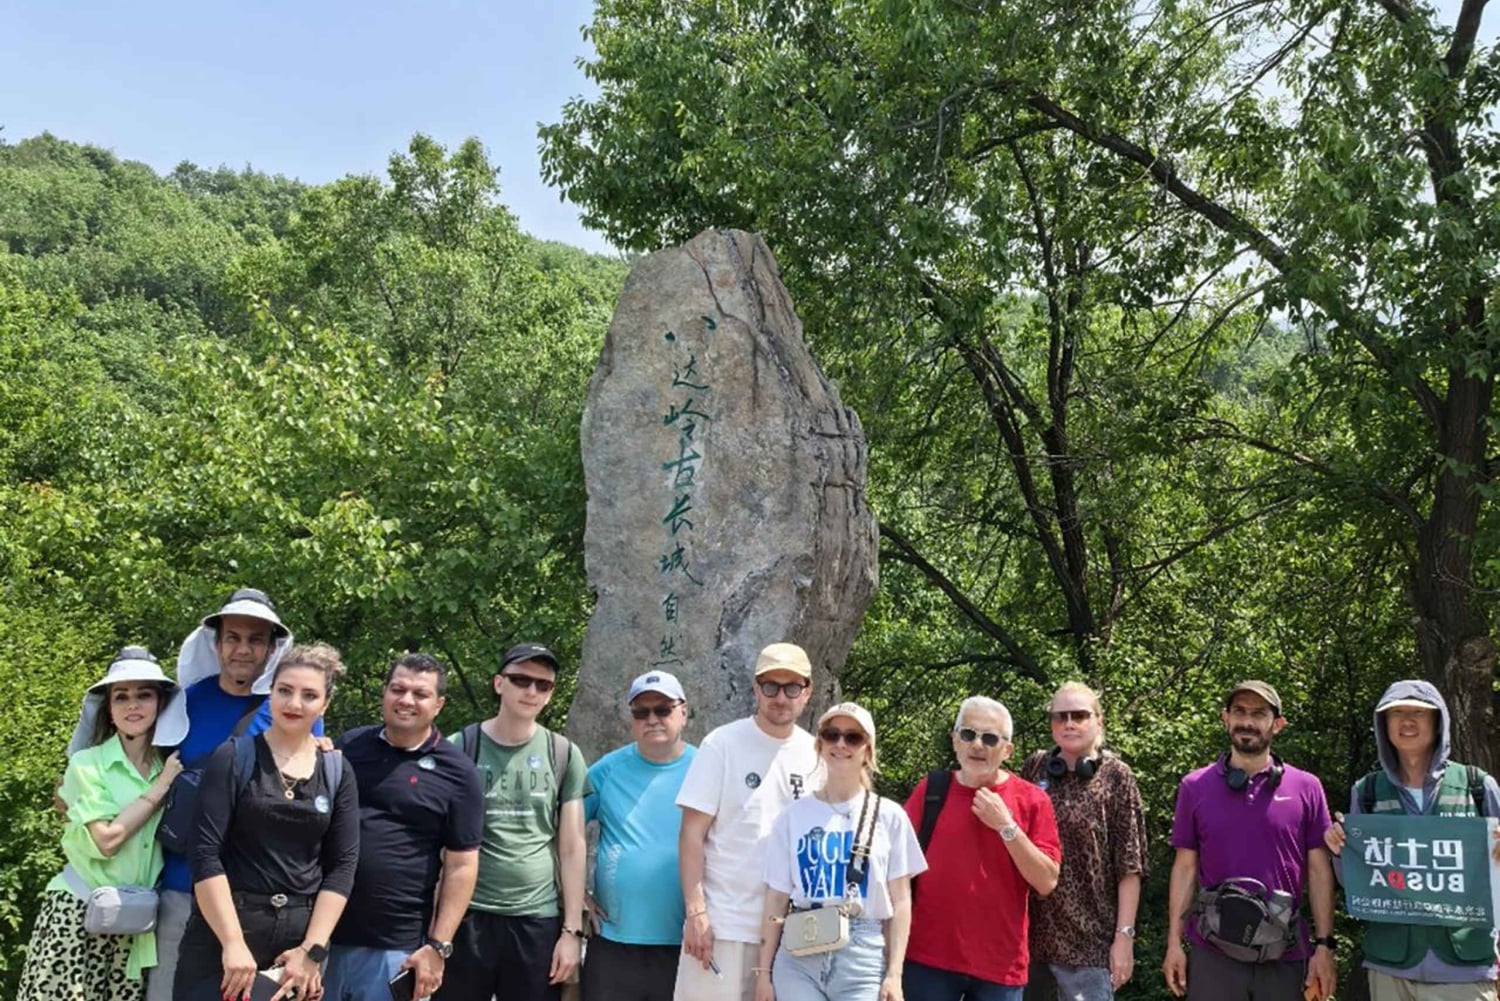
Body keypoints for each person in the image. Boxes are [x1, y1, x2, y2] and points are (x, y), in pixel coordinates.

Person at [175, 642, 360, 1001]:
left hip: (296, 949)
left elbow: (342, 865)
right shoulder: (233, 758)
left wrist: (312, 952)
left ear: (325, 704)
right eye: (284, 691)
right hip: (223, 936)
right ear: (270, 694)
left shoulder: (337, 771)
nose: (294, 704)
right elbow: (205, 854)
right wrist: (232, 944)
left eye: (309, 695)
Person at [151, 586, 308, 1001]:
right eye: (233, 638)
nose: (243, 649)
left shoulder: (291, 710)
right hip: (183, 891)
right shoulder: (185, 704)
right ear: (217, 643)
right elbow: (140, 769)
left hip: (259, 903)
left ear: (272, 648)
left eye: (255, 639)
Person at [18, 646, 186, 1001]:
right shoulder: (88, 764)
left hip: (135, 924)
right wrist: (160, 789)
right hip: (77, 914)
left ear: (160, 704)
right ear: (109, 709)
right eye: (121, 696)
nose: (132, 705)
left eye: (144, 695)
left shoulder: (168, 764)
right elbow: (106, 840)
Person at [1323, 679, 1500, 1001]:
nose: (1407, 721)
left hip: (1466, 965)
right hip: (1391, 965)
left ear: (1438, 722)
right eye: (1397, 713)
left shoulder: (1477, 785)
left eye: (1418, 713)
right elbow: (1358, 884)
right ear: (1383, 725)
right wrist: (1339, 851)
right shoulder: (1367, 792)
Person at [1162, 680, 1336, 1001]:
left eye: (1259, 714)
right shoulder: (1194, 786)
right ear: (1225, 717)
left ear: (1277, 724)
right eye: (1239, 711)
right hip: (1213, 953)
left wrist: (1324, 947)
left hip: (1286, 954)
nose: (1247, 722)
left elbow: (1319, 871)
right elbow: (1185, 868)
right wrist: (1174, 942)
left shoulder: (1306, 787)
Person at [324, 653, 484, 1001]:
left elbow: (462, 866)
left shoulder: (459, 773)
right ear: (385, 693)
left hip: (395, 948)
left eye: (420, 693)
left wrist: (437, 947)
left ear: (439, 704)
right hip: (321, 937)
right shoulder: (347, 747)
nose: (406, 700)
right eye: (398, 689)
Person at [436, 642, 591, 1001]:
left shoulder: (564, 753)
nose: (531, 691)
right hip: (467, 915)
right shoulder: (460, 746)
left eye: (543, 685)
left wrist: (570, 932)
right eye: (521, 680)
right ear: (498, 683)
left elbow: (572, 846)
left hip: (537, 919)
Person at [674, 642, 825, 1001]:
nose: (781, 698)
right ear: (756, 688)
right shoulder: (722, 744)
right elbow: (691, 835)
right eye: (771, 686)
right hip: (723, 926)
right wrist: (696, 912)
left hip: (793, 936)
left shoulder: (817, 754)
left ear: (807, 692)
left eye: (792, 688)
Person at [755, 701, 926, 1001]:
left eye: (853, 737)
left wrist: (895, 975)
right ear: (820, 744)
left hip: (862, 953)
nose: (841, 744)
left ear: (868, 750)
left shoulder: (889, 815)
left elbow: (901, 902)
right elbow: (777, 898)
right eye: (832, 735)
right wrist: (763, 973)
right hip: (800, 947)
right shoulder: (793, 816)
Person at [902, 696, 1061, 1001]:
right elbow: (895, 866)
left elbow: (1046, 881)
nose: (977, 745)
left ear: (1008, 750)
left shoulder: (1032, 801)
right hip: (927, 959)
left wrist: (1006, 826)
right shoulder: (931, 790)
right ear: (954, 741)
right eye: (968, 734)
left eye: (989, 738)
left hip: (999, 967)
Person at [1019, 682, 1148, 1001]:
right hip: (1031, 943)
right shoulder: (1035, 767)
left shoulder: (1117, 776)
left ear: (1099, 720)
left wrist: (1125, 938)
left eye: (1079, 715)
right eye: (1059, 716)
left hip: (1090, 947)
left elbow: (1130, 865)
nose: (1069, 723)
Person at [581, 670, 698, 1001]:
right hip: (615, 940)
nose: (652, 719)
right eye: (641, 712)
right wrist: (576, 895)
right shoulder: (606, 770)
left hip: (686, 941)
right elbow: (564, 833)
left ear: (683, 712)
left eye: (663, 709)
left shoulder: (706, 768)